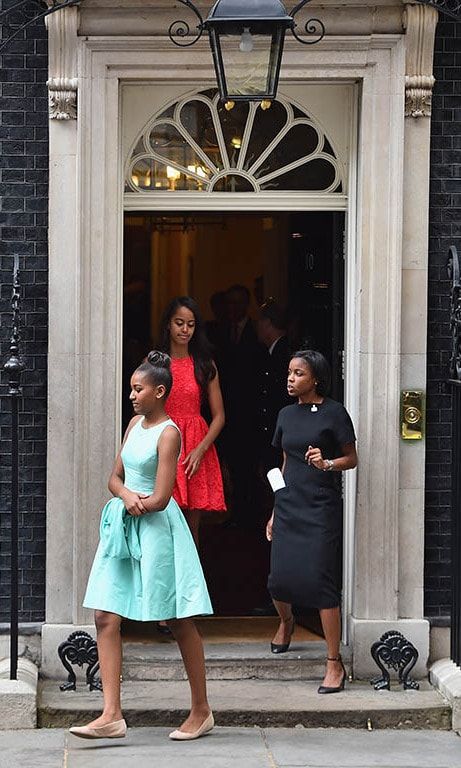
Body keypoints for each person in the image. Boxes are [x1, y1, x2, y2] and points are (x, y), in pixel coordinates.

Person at [70, 351, 214, 741]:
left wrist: (137, 502)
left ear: (159, 391)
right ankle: (111, 715)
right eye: (131, 389)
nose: (131, 395)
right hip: (124, 525)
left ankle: (201, 711)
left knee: (178, 618)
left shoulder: (170, 433)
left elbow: (164, 497)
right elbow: (114, 477)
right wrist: (126, 497)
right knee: (105, 615)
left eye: (138, 389)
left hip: (156, 530)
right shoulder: (134, 424)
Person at [266, 349, 357, 694]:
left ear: (315, 378)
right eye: (289, 373)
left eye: (298, 373)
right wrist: (276, 509)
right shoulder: (286, 414)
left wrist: (327, 463)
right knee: (279, 577)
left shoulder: (335, 413)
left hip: (320, 506)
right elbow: (286, 462)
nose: (290, 379)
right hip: (289, 503)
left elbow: (351, 458)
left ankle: (334, 662)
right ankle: (286, 623)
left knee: (321, 580)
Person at [159, 296, 226, 546]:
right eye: (179, 323)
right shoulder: (155, 363)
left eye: (191, 324)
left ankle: (191, 585)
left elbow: (219, 416)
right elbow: (142, 411)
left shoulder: (205, 365)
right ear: (168, 324)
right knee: (161, 523)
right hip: (164, 441)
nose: (185, 329)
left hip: (195, 447)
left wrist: (201, 450)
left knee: (190, 528)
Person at [256, 299, 292, 473]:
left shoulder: (285, 353)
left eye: (259, 322)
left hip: (279, 436)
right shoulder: (270, 353)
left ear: (267, 323)